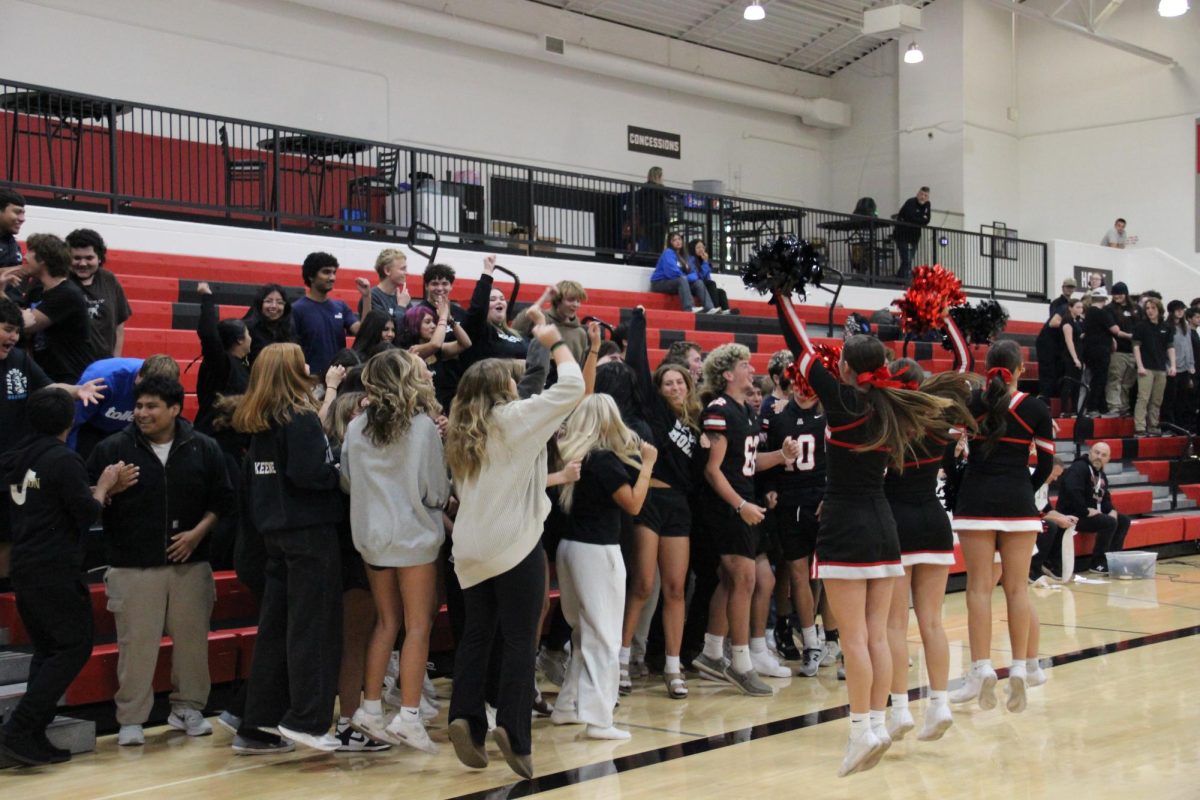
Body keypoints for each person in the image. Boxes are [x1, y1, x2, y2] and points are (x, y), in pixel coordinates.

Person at [773, 293, 951, 776]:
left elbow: (801, 347)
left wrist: (779, 293)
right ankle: (873, 723)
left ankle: (861, 732)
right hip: (884, 528)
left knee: (855, 638)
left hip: (847, 526)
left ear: (847, 367)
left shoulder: (843, 400)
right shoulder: (892, 406)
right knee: (874, 635)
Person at [444, 326, 584, 780]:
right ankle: (513, 731)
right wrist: (556, 341)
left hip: (468, 548)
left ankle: (464, 717)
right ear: (502, 387)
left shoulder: (463, 430)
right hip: (514, 544)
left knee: (477, 635)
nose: (514, 381)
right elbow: (574, 386)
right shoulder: (515, 418)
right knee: (521, 639)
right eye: (509, 377)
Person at [88, 376, 234, 746]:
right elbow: (85, 499)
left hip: (191, 564)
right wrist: (108, 489)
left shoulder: (204, 448)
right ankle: (131, 719)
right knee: (136, 645)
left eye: (151, 406)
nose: (142, 413)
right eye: (138, 406)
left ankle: (187, 707)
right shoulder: (111, 449)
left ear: (174, 408)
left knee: (192, 644)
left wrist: (197, 534)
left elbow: (223, 501)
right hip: (132, 566)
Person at [0, 388, 121, 766]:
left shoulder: (17, 457)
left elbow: (47, 498)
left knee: (47, 650)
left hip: (25, 564)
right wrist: (103, 487)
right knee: (72, 647)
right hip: (54, 567)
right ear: (70, 421)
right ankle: (19, 727)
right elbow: (87, 514)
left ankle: (32, 730)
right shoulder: (63, 459)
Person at [234, 343, 345, 752]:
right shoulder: (298, 419)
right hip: (309, 534)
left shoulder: (258, 421)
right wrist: (339, 469)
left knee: (276, 631)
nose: (309, 366)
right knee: (313, 630)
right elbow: (310, 473)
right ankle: (309, 720)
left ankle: (257, 723)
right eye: (303, 361)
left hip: (274, 537)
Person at [341, 349, 448, 754]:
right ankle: (409, 716)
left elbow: (348, 481)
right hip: (414, 537)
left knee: (386, 622)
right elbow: (435, 489)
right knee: (418, 626)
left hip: (371, 538)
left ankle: (369, 709)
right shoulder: (422, 427)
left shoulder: (355, 427)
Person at [950, 340, 1053, 717]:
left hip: (975, 499)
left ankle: (980, 669)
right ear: (1020, 369)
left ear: (987, 366)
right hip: (1017, 502)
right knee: (1016, 587)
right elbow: (1045, 464)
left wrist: (963, 479)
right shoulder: (1036, 408)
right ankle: (1023, 668)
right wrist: (1024, 486)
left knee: (978, 588)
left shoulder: (971, 402)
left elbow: (948, 453)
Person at [690, 344, 799, 696]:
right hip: (726, 506)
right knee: (744, 578)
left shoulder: (745, 410)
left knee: (734, 579)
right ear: (726, 374)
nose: (751, 370)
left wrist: (781, 457)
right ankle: (740, 663)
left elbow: (749, 462)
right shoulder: (719, 409)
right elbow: (712, 470)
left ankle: (710, 653)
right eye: (744, 365)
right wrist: (740, 505)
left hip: (743, 499)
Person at [551, 394, 655, 740]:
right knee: (605, 636)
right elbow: (634, 505)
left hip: (569, 549)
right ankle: (599, 719)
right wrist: (648, 465)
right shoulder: (604, 460)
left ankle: (567, 705)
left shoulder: (571, 455)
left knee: (582, 632)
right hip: (597, 552)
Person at [882, 348, 972, 743]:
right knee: (933, 622)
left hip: (897, 525)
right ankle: (939, 704)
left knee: (895, 625)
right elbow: (963, 369)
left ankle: (900, 709)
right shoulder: (940, 424)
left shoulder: (887, 427)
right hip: (934, 522)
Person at [620, 307, 701, 700]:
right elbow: (637, 361)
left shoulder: (698, 424)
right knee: (642, 584)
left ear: (688, 385)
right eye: (667, 382)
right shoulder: (652, 411)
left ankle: (672, 665)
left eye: (678, 382)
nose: (673, 387)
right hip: (650, 498)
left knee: (675, 588)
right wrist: (639, 323)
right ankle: (620, 662)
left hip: (679, 509)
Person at [759, 356, 827, 678]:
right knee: (798, 573)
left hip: (823, 502)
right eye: (798, 386)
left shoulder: (832, 418)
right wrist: (771, 488)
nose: (803, 391)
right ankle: (811, 643)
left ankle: (834, 638)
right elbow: (769, 460)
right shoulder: (778, 419)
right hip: (791, 504)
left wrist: (830, 495)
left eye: (809, 386)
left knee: (825, 576)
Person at [17, 233, 97, 384]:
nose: (25, 257)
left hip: (69, 376)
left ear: (43, 260)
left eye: (30, 252)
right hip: (48, 372)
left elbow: (25, 325)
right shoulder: (38, 290)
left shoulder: (67, 294)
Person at [71, 354, 180, 458]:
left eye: (152, 404)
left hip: (128, 431)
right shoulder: (101, 380)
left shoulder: (168, 386)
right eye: (142, 392)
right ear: (138, 377)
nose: (144, 402)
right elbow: (72, 423)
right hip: (90, 427)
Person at [1053, 443, 1131, 574]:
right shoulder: (1079, 468)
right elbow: (1072, 492)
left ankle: (1112, 560)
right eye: (1096, 453)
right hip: (1072, 515)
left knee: (1123, 520)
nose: (1099, 457)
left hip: (1090, 514)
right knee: (1109, 522)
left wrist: (1111, 510)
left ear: (1108, 459)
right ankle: (1098, 563)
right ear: (1090, 452)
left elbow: (1105, 497)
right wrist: (1085, 511)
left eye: (1103, 455)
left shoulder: (1101, 475)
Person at [291, 252, 360, 377]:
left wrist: (366, 297)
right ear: (311, 276)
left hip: (338, 378)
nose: (332, 277)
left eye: (334, 272)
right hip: (310, 379)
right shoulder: (296, 309)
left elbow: (361, 332)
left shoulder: (341, 307)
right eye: (326, 272)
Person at [65, 228, 131, 359]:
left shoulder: (109, 280)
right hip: (68, 368)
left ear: (100, 258)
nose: (83, 264)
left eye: (89, 258)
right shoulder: (59, 280)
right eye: (76, 258)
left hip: (102, 365)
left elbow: (119, 326)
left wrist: (114, 362)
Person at [195, 282, 251, 432]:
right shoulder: (221, 365)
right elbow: (208, 334)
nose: (250, 338)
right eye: (248, 334)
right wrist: (207, 297)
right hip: (214, 436)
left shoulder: (242, 365)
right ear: (240, 340)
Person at [400, 300, 471, 410]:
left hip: (439, 409)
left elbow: (465, 344)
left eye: (434, 322)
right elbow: (435, 344)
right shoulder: (412, 351)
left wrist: (450, 320)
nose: (433, 326)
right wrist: (443, 317)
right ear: (414, 324)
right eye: (428, 322)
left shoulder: (437, 350)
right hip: (419, 410)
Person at [461, 256, 528, 367]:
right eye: (492, 299)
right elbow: (477, 310)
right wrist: (487, 272)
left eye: (502, 299)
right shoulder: (480, 332)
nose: (499, 302)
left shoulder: (517, 335)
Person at [515, 280, 592, 364]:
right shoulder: (540, 317)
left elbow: (581, 366)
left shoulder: (580, 333)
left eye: (578, 301)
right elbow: (517, 327)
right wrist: (544, 298)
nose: (576, 305)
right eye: (571, 300)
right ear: (558, 300)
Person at [1132, 297, 1175, 437]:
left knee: (1157, 399)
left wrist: (1172, 365)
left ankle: (1153, 425)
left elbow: (1170, 347)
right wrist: (1140, 366)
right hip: (1146, 367)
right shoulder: (1141, 326)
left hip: (1161, 367)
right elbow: (1136, 347)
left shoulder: (1166, 326)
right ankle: (1139, 426)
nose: (1150, 311)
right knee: (1143, 397)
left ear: (1159, 309)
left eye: (1153, 308)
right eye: (1148, 308)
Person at [650, 231, 714, 313]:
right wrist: (687, 277)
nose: (678, 241)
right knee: (682, 280)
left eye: (679, 239)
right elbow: (671, 273)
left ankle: (709, 308)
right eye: (674, 240)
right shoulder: (668, 252)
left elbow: (693, 272)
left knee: (698, 282)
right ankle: (689, 308)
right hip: (659, 283)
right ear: (670, 243)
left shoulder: (684, 256)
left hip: (676, 282)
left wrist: (693, 275)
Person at [1036, 277, 1076, 405]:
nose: (1069, 289)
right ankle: (1045, 395)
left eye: (1071, 287)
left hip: (1057, 343)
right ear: (1063, 287)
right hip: (1049, 342)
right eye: (1067, 287)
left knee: (1057, 368)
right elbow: (1054, 322)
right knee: (1048, 369)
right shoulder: (1058, 303)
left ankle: (1051, 393)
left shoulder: (1070, 304)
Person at [1103, 282, 1138, 417]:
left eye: (1120, 293)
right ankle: (1114, 407)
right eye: (1115, 293)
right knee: (1115, 379)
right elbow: (1114, 330)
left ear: (1126, 294)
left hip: (1134, 350)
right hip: (1118, 350)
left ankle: (1124, 406)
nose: (1117, 296)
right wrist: (1131, 336)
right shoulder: (1109, 309)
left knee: (1128, 382)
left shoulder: (1135, 308)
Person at [242, 283, 297, 362]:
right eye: (268, 301)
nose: (274, 306)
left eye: (280, 302)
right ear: (260, 304)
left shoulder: (289, 328)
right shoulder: (247, 329)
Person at [354, 248, 410, 324]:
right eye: (403, 269)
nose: (407, 273)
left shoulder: (401, 297)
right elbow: (387, 332)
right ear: (387, 270)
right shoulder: (373, 297)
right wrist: (401, 306)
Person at [1080, 289, 1113, 416]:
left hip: (1090, 350)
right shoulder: (1101, 313)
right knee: (1099, 379)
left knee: (1095, 378)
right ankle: (1093, 406)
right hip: (1100, 351)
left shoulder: (1089, 313)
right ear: (1104, 300)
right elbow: (1114, 329)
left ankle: (1100, 406)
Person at [1163, 300, 1194, 429]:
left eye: (1182, 309)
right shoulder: (1166, 326)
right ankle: (1169, 426)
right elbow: (1164, 348)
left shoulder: (1185, 327)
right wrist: (1167, 366)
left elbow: (1189, 347)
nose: (1181, 312)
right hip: (1171, 368)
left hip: (1185, 369)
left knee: (1182, 400)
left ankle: (1180, 426)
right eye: (1178, 309)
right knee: (1170, 399)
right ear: (1172, 311)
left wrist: (1191, 365)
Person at [893, 186, 931, 279]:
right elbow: (910, 217)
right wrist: (921, 218)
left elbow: (927, 220)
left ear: (928, 198)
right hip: (902, 235)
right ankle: (905, 280)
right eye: (921, 194)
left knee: (909, 259)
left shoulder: (927, 204)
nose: (923, 197)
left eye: (925, 196)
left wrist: (919, 219)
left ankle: (898, 279)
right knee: (907, 260)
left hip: (914, 237)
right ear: (917, 194)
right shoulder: (910, 202)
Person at [687, 239, 730, 314]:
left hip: (703, 285)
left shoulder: (702, 261)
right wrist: (705, 262)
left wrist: (705, 262)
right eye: (698, 247)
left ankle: (726, 311)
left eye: (703, 247)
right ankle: (715, 308)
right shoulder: (690, 259)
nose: (701, 249)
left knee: (721, 292)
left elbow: (707, 278)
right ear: (692, 248)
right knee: (711, 283)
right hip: (694, 286)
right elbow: (698, 276)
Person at [1060, 298, 1085, 417]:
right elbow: (1069, 341)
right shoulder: (1067, 321)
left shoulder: (1077, 321)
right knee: (1069, 382)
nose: (1080, 309)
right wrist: (1075, 358)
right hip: (1070, 356)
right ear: (1070, 308)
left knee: (1077, 384)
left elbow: (1078, 336)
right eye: (1077, 307)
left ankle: (1075, 410)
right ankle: (1064, 410)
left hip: (1079, 354)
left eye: (1081, 307)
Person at [636, 166, 669, 255]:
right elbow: (669, 194)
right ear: (658, 176)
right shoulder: (659, 189)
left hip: (647, 224)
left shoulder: (643, 190)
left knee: (649, 246)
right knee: (658, 248)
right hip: (658, 223)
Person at [0, 188, 24, 272]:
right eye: (17, 212)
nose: (22, 219)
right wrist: (26, 270)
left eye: (23, 213)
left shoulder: (12, 242)